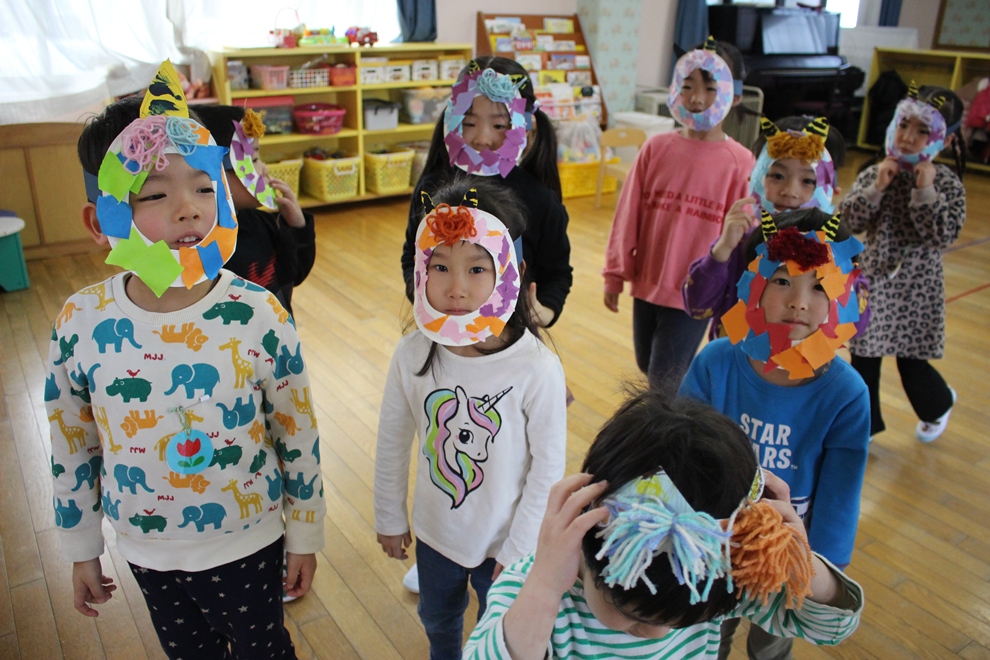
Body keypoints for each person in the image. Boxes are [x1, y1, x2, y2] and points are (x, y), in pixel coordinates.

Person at [49, 61, 325, 659]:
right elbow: (72, 442)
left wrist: (306, 529)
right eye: (155, 193)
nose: (188, 208)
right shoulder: (80, 322)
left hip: (249, 540)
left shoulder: (258, 313)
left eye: (204, 187)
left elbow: (296, 428)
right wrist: (81, 547)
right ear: (101, 220)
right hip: (144, 548)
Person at [462, 392, 865, 659]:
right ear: (588, 534)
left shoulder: (712, 571)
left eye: (674, 623)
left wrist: (800, 563)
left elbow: (830, 627)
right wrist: (544, 589)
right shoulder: (538, 583)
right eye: (623, 609)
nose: (653, 633)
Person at [375, 175, 567, 660]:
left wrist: (519, 551)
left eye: (477, 268)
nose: (457, 288)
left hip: (505, 542)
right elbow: (393, 439)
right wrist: (389, 515)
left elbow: (548, 470)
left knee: (496, 632)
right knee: (437, 618)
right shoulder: (412, 354)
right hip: (436, 534)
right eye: (440, 266)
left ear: (511, 271)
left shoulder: (537, 368)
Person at [679, 207, 871, 660]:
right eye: (782, 280)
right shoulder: (715, 362)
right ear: (754, 283)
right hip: (712, 542)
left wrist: (819, 565)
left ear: (843, 295)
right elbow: (681, 451)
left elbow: (840, 498)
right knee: (708, 637)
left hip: (787, 552)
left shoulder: (847, 394)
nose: (799, 301)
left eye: (819, 286)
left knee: (771, 644)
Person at [603, 38, 755, 387]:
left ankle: (671, 423)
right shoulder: (656, 148)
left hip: (697, 291)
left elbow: (741, 239)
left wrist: (734, 300)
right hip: (648, 280)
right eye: (688, 86)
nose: (697, 98)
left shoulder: (741, 163)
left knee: (663, 380)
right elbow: (628, 216)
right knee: (648, 364)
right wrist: (615, 273)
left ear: (734, 95)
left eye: (711, 88)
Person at [400, 56, 572, 329]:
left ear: (525, 125)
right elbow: (413, 255)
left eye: (499, 125)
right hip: (444, 327)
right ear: (452, 119)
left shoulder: (539, 199)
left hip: (513, 333)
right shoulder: (432, 190)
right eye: (469, 123)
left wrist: (545, 310)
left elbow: (557, 272)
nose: (482, 138)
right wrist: (422, 296)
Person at [840, 83, 966, 442]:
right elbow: (847, 222)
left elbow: (942, 235)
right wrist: (876, 188)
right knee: (864, 357)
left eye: (922, 130)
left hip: (918, 288)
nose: (908, 137)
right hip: (874, 281)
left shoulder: (947, 183)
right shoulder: (877, 171)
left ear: (946, 139)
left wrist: (925, 191)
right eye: (903, 125)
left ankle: (938, 404)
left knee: (912, 362)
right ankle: (863, 426)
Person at [683, 115, 852, 339]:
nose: (790, 191)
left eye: (808, 181)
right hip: (735, 356)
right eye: (777, 176)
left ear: (831, 191)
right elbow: (696, 306)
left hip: (802, 360)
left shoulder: (835, 253)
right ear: (755, 178)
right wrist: (722, 250)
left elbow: (856, 323)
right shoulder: (738, 244)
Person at [160, 104, 315, 318]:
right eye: (254, 160)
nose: (264, 168)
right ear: (215, 171)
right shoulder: (200, 244)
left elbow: (294, 274)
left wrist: (297, 226)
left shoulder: (263, 223)